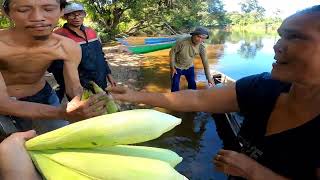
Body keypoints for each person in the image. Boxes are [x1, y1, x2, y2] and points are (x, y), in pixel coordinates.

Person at [108, 5, 320, 179]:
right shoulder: (262, 86)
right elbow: (198, 98)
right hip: (179, 67)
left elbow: (205, 62)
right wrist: (134, 95)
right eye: (281, 36)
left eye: (295, 37)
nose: (277, 46)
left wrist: (255, 172)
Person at [0, 0, 107, 135]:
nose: (38, 17)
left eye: (49, 9)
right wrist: (62, 112)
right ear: (6, 12)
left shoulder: (67, 46)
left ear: (61, 10)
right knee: (11, 148)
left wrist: (87, 104)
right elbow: (2, 104)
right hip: (5, 103)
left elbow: (73, 86)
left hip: (44, 97)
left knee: (60, 141)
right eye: (23, 10)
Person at [48, 2, 116, 102]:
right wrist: (67, 85)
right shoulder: (58, 35)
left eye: (79, 13)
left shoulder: (92, 32)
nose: (76, 17)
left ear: (84, 15)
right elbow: (54, 65)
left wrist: (109, 75)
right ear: (65, 17)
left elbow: (101, 56)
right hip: (79, 85)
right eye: (72, 14)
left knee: (105, 106)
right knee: (86, 113)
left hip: (100, 79)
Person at [170, 27, 214, 92]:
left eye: (203, 38)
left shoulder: (201, 47)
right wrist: (172, 67)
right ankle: (174, 100)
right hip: (177, 67)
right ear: (193, 35)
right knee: (175, 86)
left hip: (189, 66)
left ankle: (192, 99)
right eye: (198, 37)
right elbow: (172, 53)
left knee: (192, 85)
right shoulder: (182, 42)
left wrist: (209, 78)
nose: (200, 40)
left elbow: (205, 62)